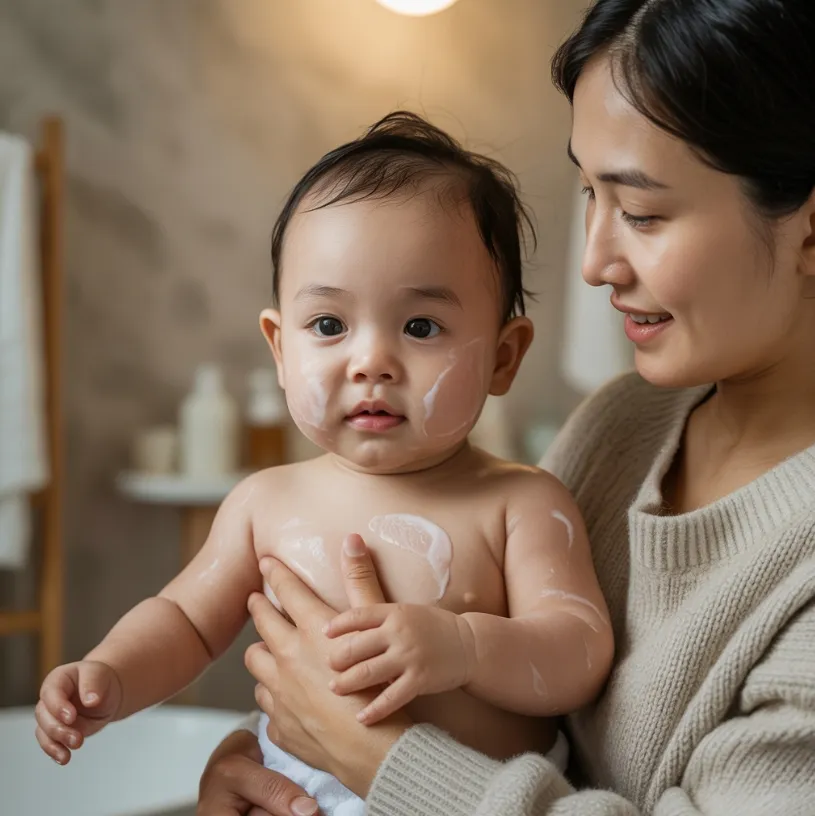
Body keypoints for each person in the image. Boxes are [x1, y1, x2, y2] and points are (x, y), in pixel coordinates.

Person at [196, 0, 815, 814]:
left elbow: (436, 710)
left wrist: (378, 762)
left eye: (640, 212)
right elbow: (453, 687)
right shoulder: (623, 422)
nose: (593, 262)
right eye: (588, 193)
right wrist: (279, 754)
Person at [33, 113, 615, 816]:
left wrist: (464, 645)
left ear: (502, 356)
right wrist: (111, 676)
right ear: (281, 350)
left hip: (456, 798)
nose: (370, 361)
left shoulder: (521, 504)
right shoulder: (265, 503)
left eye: (420, 326)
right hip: (296, 796)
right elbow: (184, 620)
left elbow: (579, 653)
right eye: (330, 325)